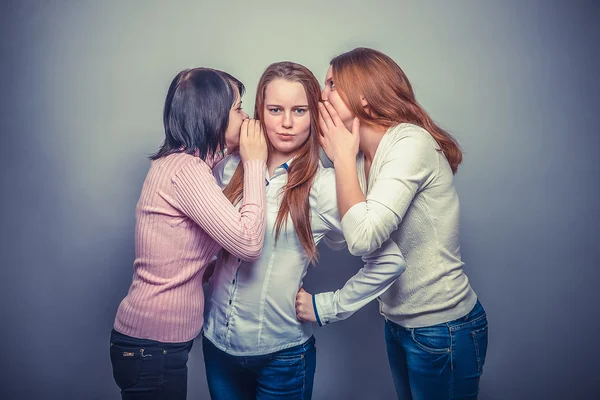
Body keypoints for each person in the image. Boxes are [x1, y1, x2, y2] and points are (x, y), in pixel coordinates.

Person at [202, 61, 405, 400]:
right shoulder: (230, 168)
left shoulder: (325, 186)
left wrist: (328, 307)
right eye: (275, 109)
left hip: (282, 358)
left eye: (299, 110)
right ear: (258, 112)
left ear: (315, 114)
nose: (285, 123)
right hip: (217, 348)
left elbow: (389, 261)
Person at [295, 48, 489, 400]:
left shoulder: (409, 142)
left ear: (365, 99)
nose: (321, 95)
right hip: (400, 324)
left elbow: (363, 238)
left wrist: (339, 158)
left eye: (332, 84)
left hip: (443, 329)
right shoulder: (358, 161)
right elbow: (340, 235)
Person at [109, 67, 268, 400]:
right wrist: (254, 162)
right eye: (238, 109)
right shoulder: (187, 171)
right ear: (214, 115)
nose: (246, 116)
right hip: (152, 348)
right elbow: (250, 243)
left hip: (148, 346)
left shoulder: (178, 163)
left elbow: (180, 246)